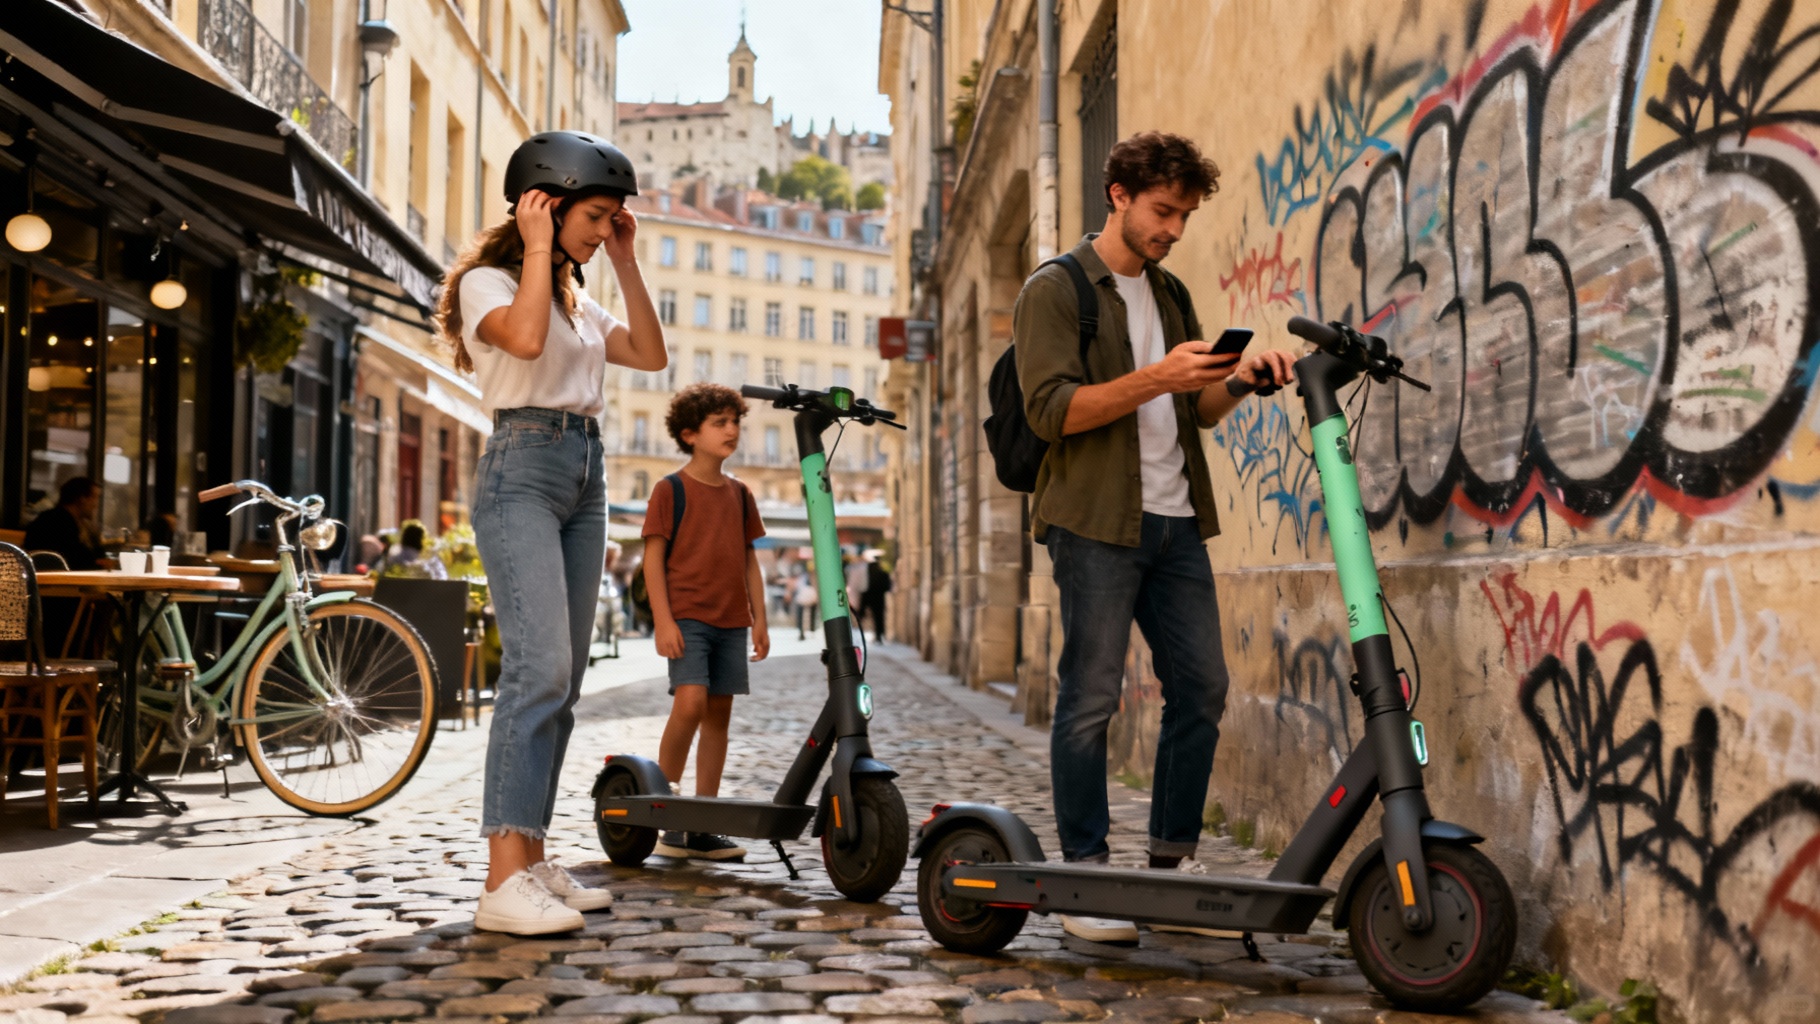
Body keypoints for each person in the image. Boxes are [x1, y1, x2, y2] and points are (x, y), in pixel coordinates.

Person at [1015, 131, 1295, 945]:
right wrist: (1157, 377)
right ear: (1120, 196)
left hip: (1177, 523)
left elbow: (1196, 410)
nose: (1173, 228)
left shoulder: (1171, 295)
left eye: (1183, 215)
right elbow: (1051, 411)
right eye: (1163, 211)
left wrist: (1238, 380)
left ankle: (1171, 875)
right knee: (1091, 699)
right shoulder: (1057, 289)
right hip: (1096, 524)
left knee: (1202, 690)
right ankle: (1088, 877)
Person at [436, 130, 665, 936]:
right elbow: (524, 342)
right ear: (546, 202)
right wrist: (538, 246)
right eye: (596, 217)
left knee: (562, 682)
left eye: (612, 220)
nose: (604, 232)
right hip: (522, 469)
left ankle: (531, 859)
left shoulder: (574, 293)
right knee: (540, 668)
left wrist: (627, 262)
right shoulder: (488, 284)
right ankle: (502, 879)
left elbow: (649, 351)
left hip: (585, 472)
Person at [641, 383, 770, 861]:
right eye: (720, 423)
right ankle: (667, 810)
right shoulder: (669, 489)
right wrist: (663, 620)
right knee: (690, 702)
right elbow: (653, 558)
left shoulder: (740, 494)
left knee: (718, 717)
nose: (732, 430)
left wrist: (760, 618)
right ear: (690, 433)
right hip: (688, 617)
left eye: (735, 422)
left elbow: (749, 561)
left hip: (732, 621)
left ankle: (702, 823)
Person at [24, 476, 104, 571]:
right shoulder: (56, 522)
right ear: (82, 499)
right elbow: (76, 560)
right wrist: (99, 563)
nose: (96, 505)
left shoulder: (75, 522)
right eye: (95, 498)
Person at [862, 552, 891, 642]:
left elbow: (864, 587)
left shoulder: (868, 575)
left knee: (874, 617)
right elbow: (887, 587)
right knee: (879, 617)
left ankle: (878, 635)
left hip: (870, 598)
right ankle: (880, 634)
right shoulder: (883, 574)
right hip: (879, 599)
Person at [792, 565, 819, 640]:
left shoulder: (813, 577)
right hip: (804, 598)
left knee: (811, 615)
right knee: (802, 615)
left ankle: (810, 630)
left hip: (809, 597)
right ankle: (802, 632)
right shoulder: (803, 577)